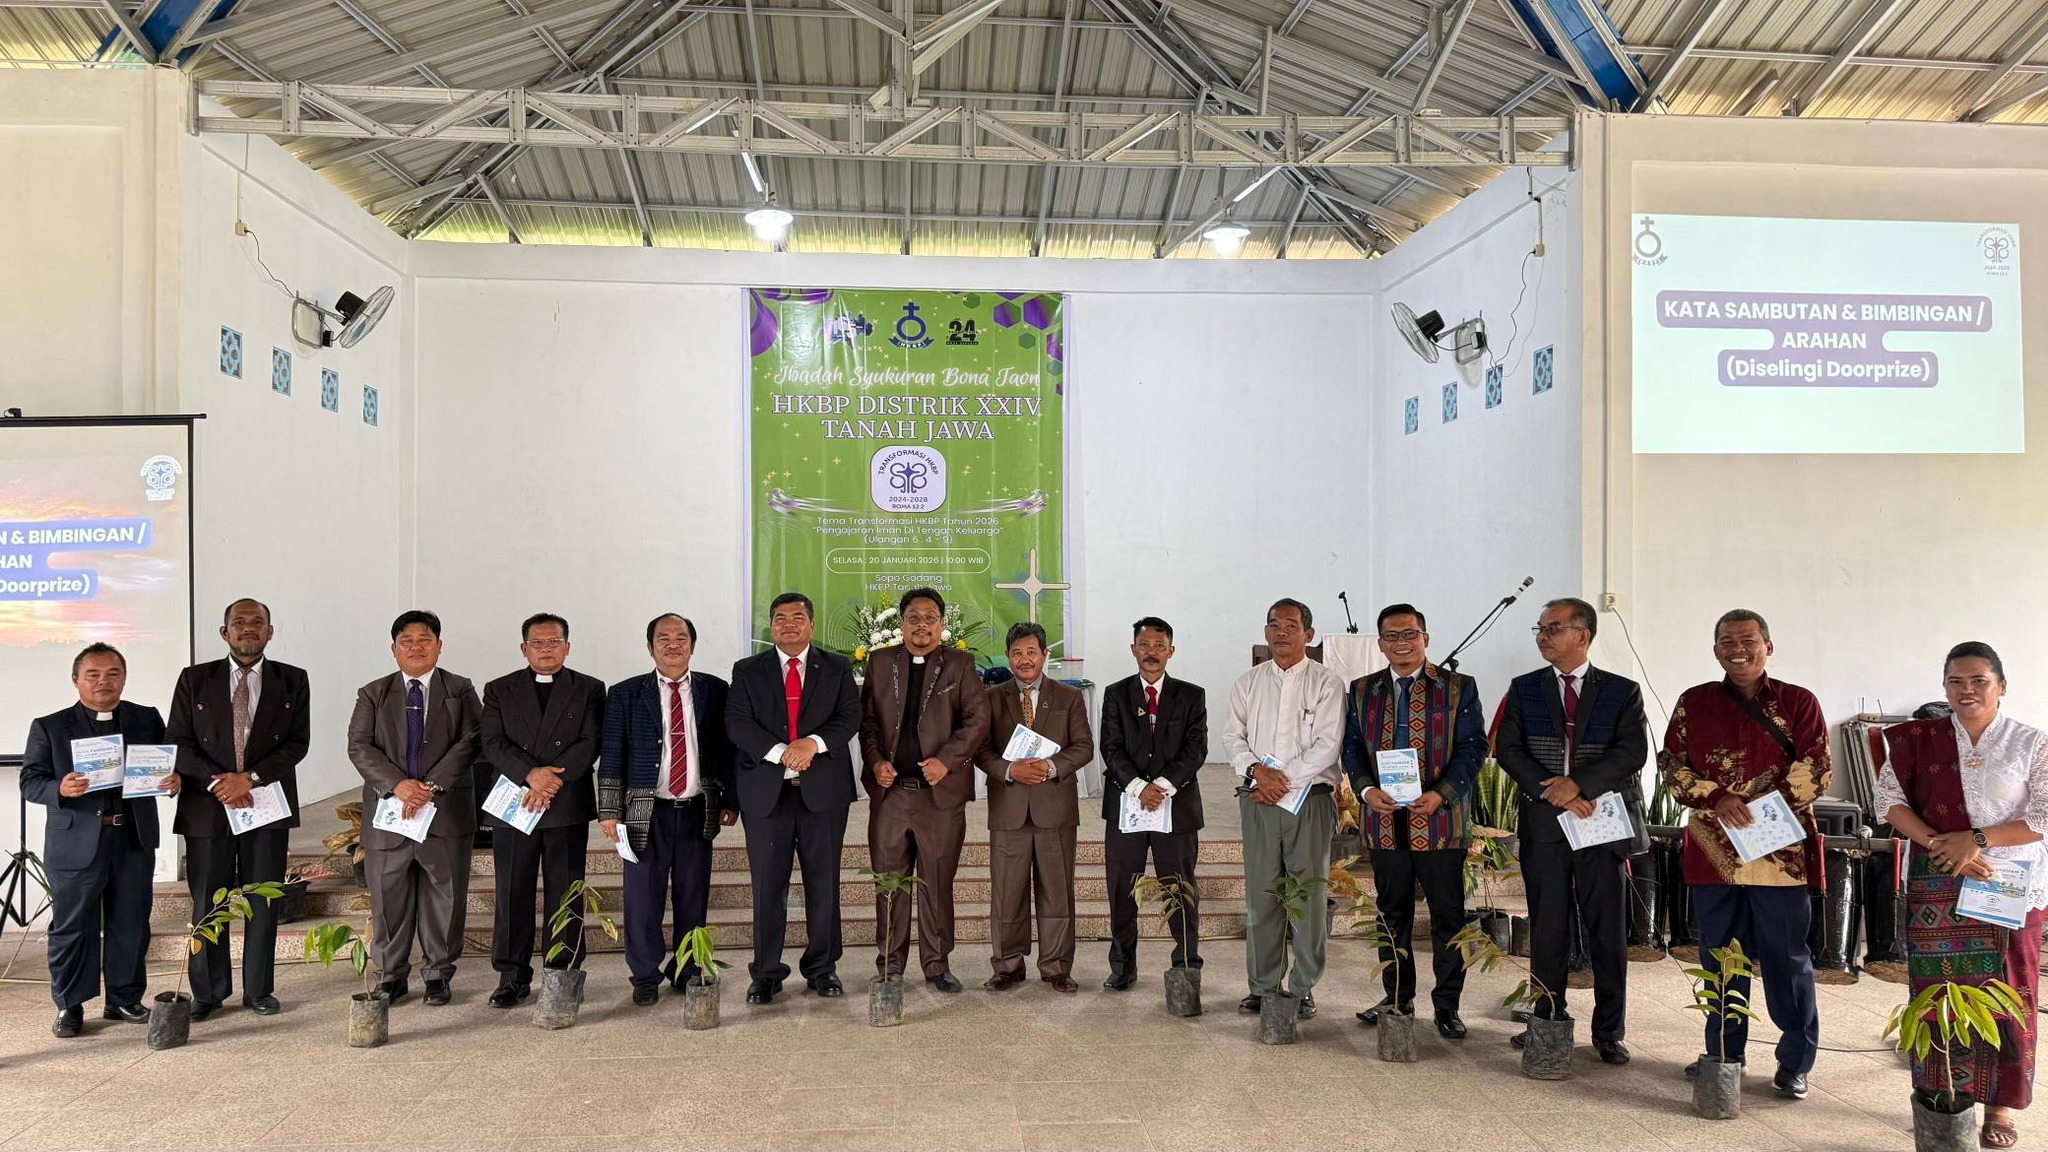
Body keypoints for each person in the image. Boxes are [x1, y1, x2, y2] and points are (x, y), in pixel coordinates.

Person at [1876, 642, 2048, 1151]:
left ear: (2001, 686)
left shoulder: (2031, 743)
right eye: (1956, 681)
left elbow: (2044, 815)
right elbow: (1889, 801)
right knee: (1939, 991)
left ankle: (2002, 1106)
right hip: (1939, 880)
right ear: (1944, 686)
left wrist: (1977, 840)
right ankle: (1945, 1095)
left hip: (2008, 884)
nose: (1966, 690)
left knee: (2010, 990)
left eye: (1978, 680)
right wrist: (1941, 845)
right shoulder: (1918, 740)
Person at [1661, 608, 1830, 1099]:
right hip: (1714, 853)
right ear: (1715, 650)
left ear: (1768, 647)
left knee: (1786, 957)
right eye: (1727, 641)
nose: (1738, 649)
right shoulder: (1693, 702)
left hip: (1779, 854)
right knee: (1720, 956)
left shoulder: (1798, 702)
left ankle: (1795, 1062)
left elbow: (1818, 766)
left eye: (1748, 640)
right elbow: (1671, 764)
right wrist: (1717, 798)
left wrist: (1763, 807)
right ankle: (1723, 1053)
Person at [1495, 597, 1649, 1064]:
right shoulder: (1525, 688)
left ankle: (1609, 1031)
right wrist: (1555, 791)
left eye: (1553, 628)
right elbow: (1509, 750)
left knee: (1606, 929)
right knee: (1547, 927)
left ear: (1583, 635)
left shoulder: (1622, 691)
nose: (1543, 636)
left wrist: (1578, 784)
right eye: (1540, 629)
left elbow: (1631, 752)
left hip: (1599, 820)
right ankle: (1547, 1020)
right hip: (1545, 823)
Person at [21, 643, 179, 1039]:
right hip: (75, 844)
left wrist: (174, 780)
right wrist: (60, 788)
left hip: (132, 837)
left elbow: (167, 764)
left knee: (131, 921)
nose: (103, 682)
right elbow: (30, 781)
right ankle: (70, 1006)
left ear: (124, 678)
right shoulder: (50, 726)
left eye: (112, 674)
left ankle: (124, 999)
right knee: (73, 926)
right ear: (76, 680)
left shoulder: (146, 718)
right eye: (93, 674)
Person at [1343, 603, 1485, 1038]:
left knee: (1448, 917)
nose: (1401, 643)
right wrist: (1365, 790)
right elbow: (1351, 746)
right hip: (1384, 820)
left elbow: (1473, 747)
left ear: (1426, 638)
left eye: (1409, 634)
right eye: (1391, 636)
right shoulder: (1363, 689)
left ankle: (1447, 1006)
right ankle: (1396, 998)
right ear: (1380, 643)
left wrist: (1441, 793)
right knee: (1391, 915)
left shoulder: (1457, 687)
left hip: (1440, 821)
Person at [167, 598, 311, 1020]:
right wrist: (220, 782)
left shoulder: (293, 679)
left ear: (270, 631)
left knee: (262, 900)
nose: (249, 628)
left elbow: (297, 744)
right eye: (239, 622)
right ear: (224, 631)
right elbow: (178, 741)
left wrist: (249, 779)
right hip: (207, 805)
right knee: (207, 903)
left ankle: (259, 990)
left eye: (258, 622)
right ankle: (208, 993)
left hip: (264, 803)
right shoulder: (194, 679)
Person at [727, 592, 862, 1004]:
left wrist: (812, 744)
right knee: (768, 886)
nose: (789, 624)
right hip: (766, 795)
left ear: (812, 625)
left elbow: (850, 717)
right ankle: (766, 973)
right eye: (781, 617)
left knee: (824, 883)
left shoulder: (836, 667)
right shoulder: (748, 670)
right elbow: (737, 722)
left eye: (798, 617)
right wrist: (780, 752)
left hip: (823, 795)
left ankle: (823, 968)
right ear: (771, 626)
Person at [346, 610, 484, 1006]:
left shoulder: (459, 689)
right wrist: (398, 785)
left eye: (425, 640)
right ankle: (390, 976)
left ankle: (438, 974)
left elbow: (473, 740)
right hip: (389, 815)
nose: (416, 647)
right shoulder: (373, 693)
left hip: (445, 812)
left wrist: (431, 786)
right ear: (393, 649)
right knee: (388, 899)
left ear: (439, 646)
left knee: (446, 897)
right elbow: (359, 745)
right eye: (407, 641)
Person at [859, 587, 992, 993]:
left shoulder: (960, 664)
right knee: (889, 883)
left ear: (941, 624)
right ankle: (890, 965)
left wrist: (946, 761)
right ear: (901, 623)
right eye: (914, 617)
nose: (922, 625)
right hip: (892, 795)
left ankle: (936, 964)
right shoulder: (881, 662)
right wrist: (875, 761)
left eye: (930, 617)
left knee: (936, 882)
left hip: (939, 797)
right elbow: (867, 722)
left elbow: (977, 720)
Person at [601, 613, 735, 1005]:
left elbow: (728, 751)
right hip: (645, 812)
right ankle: (645, 975)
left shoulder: (715, 690)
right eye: (663, 638)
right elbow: (612, 755)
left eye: (681, 638)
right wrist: (609, 811)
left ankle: (688, 969)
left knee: (693, 896)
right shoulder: (625, 693)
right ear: (650, 647)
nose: (672, 644)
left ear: (692, 645)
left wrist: (730, 801)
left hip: (697, 810)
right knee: (642, 900)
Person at [1227, 598, 1344, 1019]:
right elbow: (1232, 737)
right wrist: (1257, 771)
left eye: (1291, 626)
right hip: (1259, 801)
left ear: (1308, 635)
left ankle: (1302, 987)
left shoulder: (1327, 683)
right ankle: (1263, 986)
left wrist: (1281, 781)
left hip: (1309, 801)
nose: (1281, 632)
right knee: (1262, 895)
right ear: (1266, 632)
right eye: (1274, 624)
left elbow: (1327, 745)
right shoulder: (1248, 682)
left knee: (1306, 895)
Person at [480, 612, 605, 1008]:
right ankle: (511, 976)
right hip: (515, 802)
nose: (546, 649)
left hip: (564, 801)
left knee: (565, 893)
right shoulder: (499, 689)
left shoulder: (589, 688)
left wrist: (550, 781)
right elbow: (492, 742)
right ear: (524, 648)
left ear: (567, 647)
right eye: (538, 643)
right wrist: (530, 774)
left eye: (554, 642)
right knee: (512, 891)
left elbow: (591, 741)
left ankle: (563, 972)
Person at [974, 622, 1096, 993]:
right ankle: (1007, 966)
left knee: (1057, 891)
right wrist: (1010, 770)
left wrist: (1051, 767)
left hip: (1054, 807)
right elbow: (980, 750)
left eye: (1031, 652)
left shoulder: (1068, 697)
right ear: (1007, 657)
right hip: (1008, 808)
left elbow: (1084, 746)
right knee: (1007, 893)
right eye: (1017, 653)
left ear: (1045, 655)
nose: (1024, 660)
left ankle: (1057, 967)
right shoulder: (991, 698)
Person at [1099, 616, 1208, 990]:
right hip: (1127, 807)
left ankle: (1186, 965)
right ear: (1133, 649)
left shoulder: (1191, 695)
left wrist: (1160, 786)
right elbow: (1110, 747)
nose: (1151, 653)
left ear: (1171, 651)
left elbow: (1196, 749)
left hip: (1175, 808)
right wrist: (1137, 787)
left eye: (1159, 646)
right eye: (1144, 645)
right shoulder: (1116, 694)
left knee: (1180, 889)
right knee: (1122, 889)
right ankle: (1122, 966)